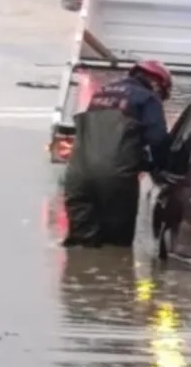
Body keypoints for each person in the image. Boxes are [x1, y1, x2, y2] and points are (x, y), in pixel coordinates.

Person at [63, 60, 174, 248]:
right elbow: (158, 141)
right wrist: (162, 168)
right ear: (156, 84)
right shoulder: (147, 98)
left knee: (82, 244)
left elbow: (100, 138)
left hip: (77, 176)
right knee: (116, 247)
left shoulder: (101, 92)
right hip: (116, 180)